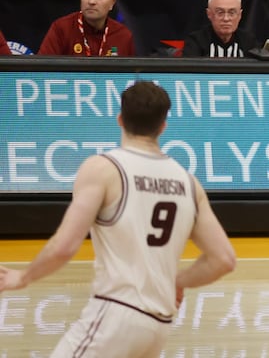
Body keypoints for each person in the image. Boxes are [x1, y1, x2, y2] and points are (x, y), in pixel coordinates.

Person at [0, 80, 237, 355]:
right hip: (159, 324)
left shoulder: (104, 168)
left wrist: (23, 277)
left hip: (116, 313)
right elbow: (224, 259)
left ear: (120, 119)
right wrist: (177, 281)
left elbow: (64, 246)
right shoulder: (189, 183)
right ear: (163, 126)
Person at [38, 0, 135, 56]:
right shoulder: (61, 28)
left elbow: (132, 74)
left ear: (111, 3)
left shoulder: (123, 35)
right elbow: (41, 70)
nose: (91, 1)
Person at [183, 0, 258, 57]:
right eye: (220, 12)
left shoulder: (249, 42)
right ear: (209, 14)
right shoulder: (196, 41)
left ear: (239, 15)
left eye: (231, 13)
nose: (226, 18)